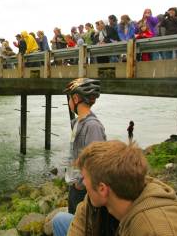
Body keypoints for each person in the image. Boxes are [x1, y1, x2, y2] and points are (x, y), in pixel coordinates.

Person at [66, 140, 177, 236]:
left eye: (85, 178)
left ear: (102, 189)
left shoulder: (155, 229)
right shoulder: (106, 195)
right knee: (61, 219)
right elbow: (80, 222)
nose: (83, 183)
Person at [52, 78, 106, 236]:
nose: (69, 101)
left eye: (70, 97)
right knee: (75, 227)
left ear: (76, 99)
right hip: (76, 187)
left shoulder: (92, 126)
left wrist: (80, 185)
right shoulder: (79, 122)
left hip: (83, 191)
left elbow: (96, 164)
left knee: (82, 228)